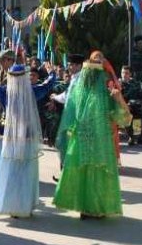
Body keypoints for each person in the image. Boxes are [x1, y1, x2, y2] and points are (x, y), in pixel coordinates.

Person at [53, 60, 132, 219]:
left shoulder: (101, 91)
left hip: (90, 139)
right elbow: (123, 117)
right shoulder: (81, 89)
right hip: (92, 139)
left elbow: (123, 118)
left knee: (90, 171)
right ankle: (91, 207)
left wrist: (119, 99)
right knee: (92, 172)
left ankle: (90, 208)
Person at [0, 58, 55, 217]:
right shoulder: (32, 91)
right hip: (25, 136)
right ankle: (24, 205)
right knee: (25, 171)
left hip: (5, 135)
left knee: (6, 170)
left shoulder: (5, 91)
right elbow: (48, 85)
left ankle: (7, 203)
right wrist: (52, 73)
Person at [120, 65, 142, 146]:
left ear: (130, 74)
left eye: (127, 73)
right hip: (126, 107)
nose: (124, 75)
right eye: (123, 73)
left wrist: (141, 103)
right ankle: (131, 137)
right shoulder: (118, 84)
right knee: (126, 114)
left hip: (137, 106)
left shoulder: (135, 83)